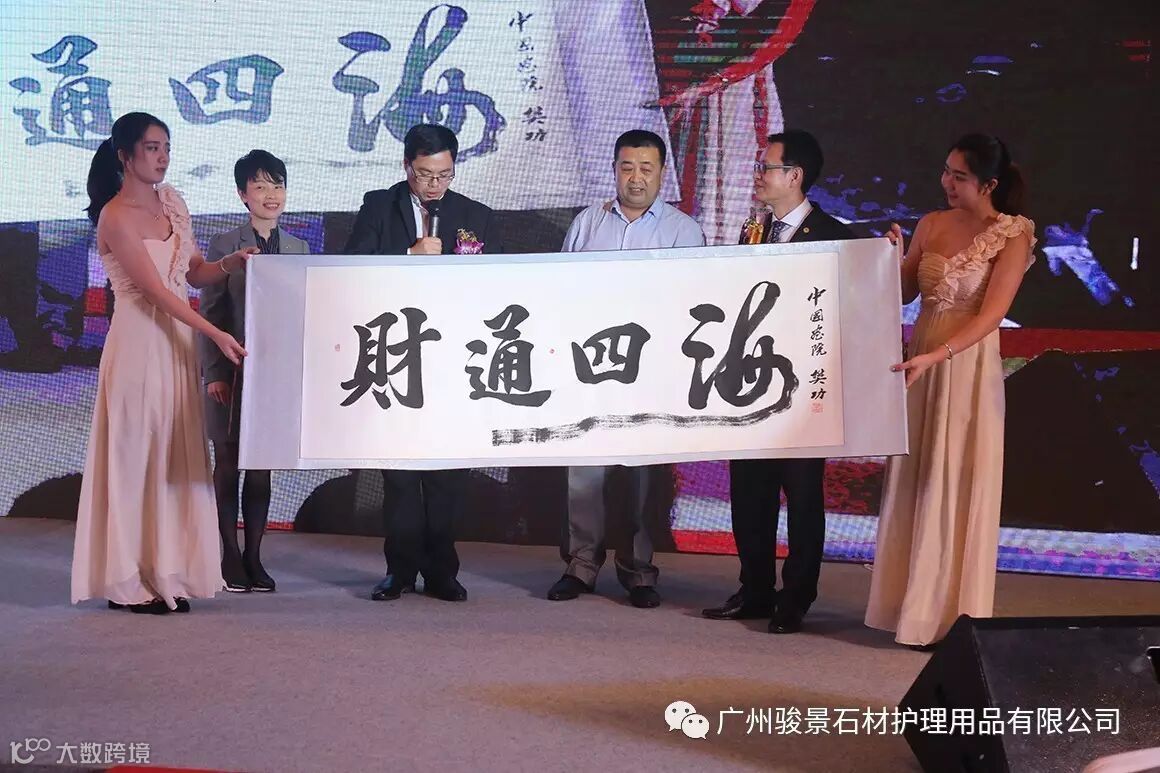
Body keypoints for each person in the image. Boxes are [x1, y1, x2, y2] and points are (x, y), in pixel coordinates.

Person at [71, 112, 256, 614]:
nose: (162, 157)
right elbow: (155, 292)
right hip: (138, 345)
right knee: (137, 458)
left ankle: (166, 573)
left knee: (171, 457)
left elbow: (191, 273)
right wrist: (215, 333)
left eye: (167, 147)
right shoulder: (115, 216)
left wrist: (229, 264)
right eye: (152, 148)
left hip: (176, 345)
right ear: (125, 155)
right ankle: (128, 581)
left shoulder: (173, 201)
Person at [865, 133, 1035, 648]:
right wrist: (892, 259)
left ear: (989, 183)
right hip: (921, 359)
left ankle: (947, 615)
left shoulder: (1012, 233)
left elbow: (992, 316)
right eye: (946, 172)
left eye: (959, 176)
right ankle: (907, 607)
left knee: (954, 477)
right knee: (917, 475)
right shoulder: (932, 223)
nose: (947, 183)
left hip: (965, 364)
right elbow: (905, 292)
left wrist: (939, 354)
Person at [702, 129, 853, 634]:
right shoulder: (754, 230)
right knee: (750, 491)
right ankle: (755, 589)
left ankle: (797, 596)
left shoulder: (835, 236)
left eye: (766, 167)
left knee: (803, 495)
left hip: (805, 390)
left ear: (795, 176)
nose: (758, 176)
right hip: (750, 381)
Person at [547, 129, 705, 609]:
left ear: (662, 173)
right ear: (614, 169)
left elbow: (693, 303)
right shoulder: (587, 223)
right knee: (584, 473)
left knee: (640, 477)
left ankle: (638, 571)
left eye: (646, 169)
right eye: (627, 167)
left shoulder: (683, 231)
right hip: (588, 365)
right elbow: (557, 288)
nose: (636, 178)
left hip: (649, 370)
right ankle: (580, 566)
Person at [344, 123, 503, 603]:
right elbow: (349, 269)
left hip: (454, 360)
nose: (434, 185)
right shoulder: (379, 206)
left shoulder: (476, 216)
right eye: (425, 174)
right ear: (406, 166)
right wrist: (406, 255)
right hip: (397, 355)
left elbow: (498, 286)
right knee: (399, 473)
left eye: (444, 175)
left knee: (448, 475)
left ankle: (442, 571)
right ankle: (399, 570)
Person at [199, 150, 309, 593]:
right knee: (227, 463)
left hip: (276, 376)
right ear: (242, 195)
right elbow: (210, 312)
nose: (271, 195)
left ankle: (254, 557)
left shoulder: (299, 248)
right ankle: (228, 554)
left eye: (277, 185)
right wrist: (214, 372)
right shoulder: (224, 245)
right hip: (232, 370)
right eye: (260, 186)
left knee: (262, 467)